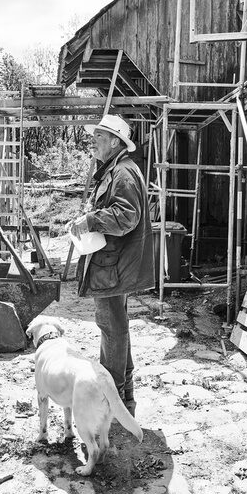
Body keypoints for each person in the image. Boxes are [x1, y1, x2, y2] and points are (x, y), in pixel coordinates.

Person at [69, 114, 154, 416]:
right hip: (112, 262)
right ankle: (123, 394)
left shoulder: (123, 173)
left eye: (100, 136)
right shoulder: (116, 170)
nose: (93, 140)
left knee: (111, 327)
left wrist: (91, 219)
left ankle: (112, 397)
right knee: (115, 325)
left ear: (116, 142)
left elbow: (126, 217)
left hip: (113, 264)